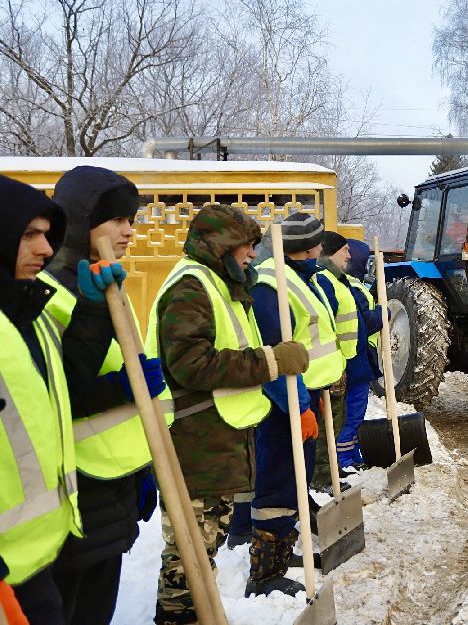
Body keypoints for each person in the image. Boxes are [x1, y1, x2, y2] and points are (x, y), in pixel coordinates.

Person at [144, 204, 308, 625]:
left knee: (203, 548)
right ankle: (180, 617)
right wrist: (271, 362)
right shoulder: (191, 287)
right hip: (194, 439)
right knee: (189, 554)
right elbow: (191, 364)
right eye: (245, 246)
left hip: (217, 439)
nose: (252, 255)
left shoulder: (219, 284)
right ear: (220, 246)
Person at [42, 166, 170, 625]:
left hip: (110, 486)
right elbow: (50, 396)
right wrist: (121, 388)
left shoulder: (106, 285)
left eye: (130, 220)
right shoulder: (47, 293)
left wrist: (139, 471)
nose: (129, 231)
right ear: (80, 221)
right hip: (73, 490)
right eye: (116, 220)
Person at [0, 175, 118, 624]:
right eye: (28, 234)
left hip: (42, 549)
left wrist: (91, 313)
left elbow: (63, 391)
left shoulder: (28, 313)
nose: (45, 249)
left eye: (46, 235)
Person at [247, 213, 345, 597]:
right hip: (281, 405)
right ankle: (265, 572)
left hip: (302, 397)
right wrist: (299, 406)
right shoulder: (272, 286)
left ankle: (284, 549)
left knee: (293, 478)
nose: (321, 251)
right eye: (317, 244)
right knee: (277, 482)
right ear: (304, 248)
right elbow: (275, 357)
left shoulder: (300, 278)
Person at [314, 233, 382, 478]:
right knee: (346, 417)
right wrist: (381, 314)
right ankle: (341, 460)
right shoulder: (330, 282)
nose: (350, 255)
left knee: (355, 415)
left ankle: (350, 456)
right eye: (345, 250)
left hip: (359, 360)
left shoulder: (343, 282)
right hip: (347, 363)